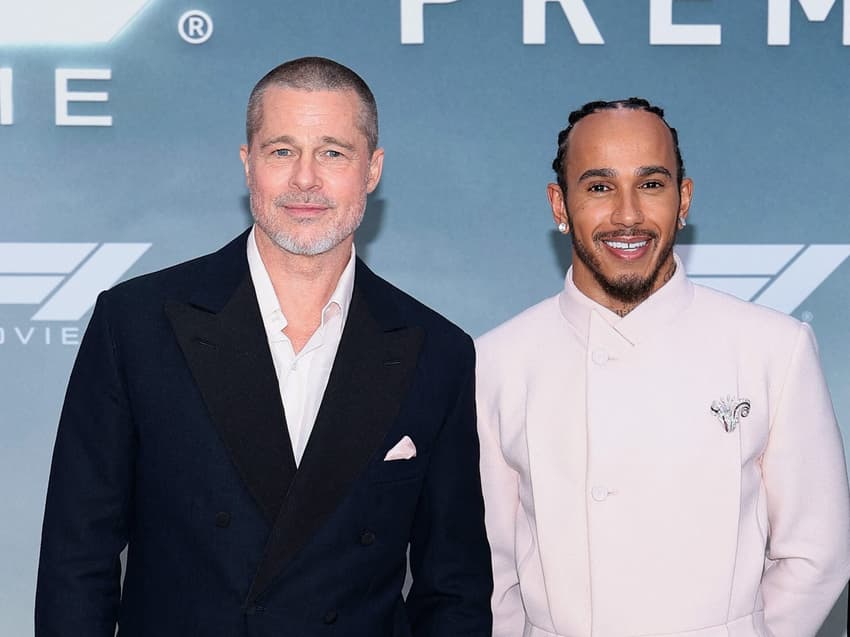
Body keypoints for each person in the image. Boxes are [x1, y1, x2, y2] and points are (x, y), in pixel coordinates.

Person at [35, 56, 493, 637]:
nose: (306, 179)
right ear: (247, 164)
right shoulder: (138, 325)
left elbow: (453, 587)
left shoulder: (437, 352)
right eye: (282, 151)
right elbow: (77, 562)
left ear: (372, 170)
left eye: (332, 152)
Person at [475, 98, 850, 637]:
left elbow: (819, 553)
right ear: (560, 205)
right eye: (599, 186)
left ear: (684, 199)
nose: (628, 215)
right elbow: (488, 569)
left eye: (650, 184)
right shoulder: (496, 362)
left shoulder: (774, 348)